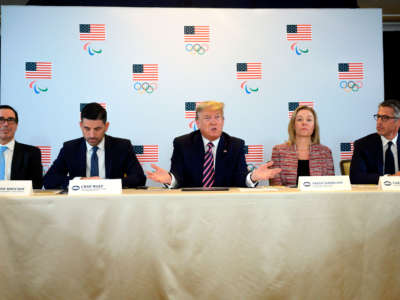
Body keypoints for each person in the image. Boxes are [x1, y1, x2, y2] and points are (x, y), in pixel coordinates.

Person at [146, 101, 281, 188]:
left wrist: (253, 177)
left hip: (225, 204)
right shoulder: (182, 143)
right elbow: (178, 177)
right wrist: (169, 179)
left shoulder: (236, 145)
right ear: (197, 123)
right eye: (207, 118)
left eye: (217, 117)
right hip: (191, 204)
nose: (213, 122)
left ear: (223, 121)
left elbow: (240, 179)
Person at [43, 102, 145, 189]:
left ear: (106, 126)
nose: (92, 135)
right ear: (80, 126)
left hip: (113, 203)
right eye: (87, 129)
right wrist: (81, 181)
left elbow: (139, 178)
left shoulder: (122, 146)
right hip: (78, 203)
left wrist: (106, 184)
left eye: (97, 129)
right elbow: (49, 180)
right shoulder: (70, 148)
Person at [270, 105, 334, 186]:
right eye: (299, 119)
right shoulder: (278, 151)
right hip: (287, 198)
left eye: (309, 120)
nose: (304, 123)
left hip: (318, 198)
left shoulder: (325, 152)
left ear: (314, 126)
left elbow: (330, 185)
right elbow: (276, 185)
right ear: (293, 125)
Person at [350, 100, 400, 184]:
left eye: (385, 118)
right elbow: (356, 177)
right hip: (375, 195)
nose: (379, 122)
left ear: (398, 122)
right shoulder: (363, 145)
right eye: (378, 117)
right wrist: (390, 178)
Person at [0, 105, 43, 189]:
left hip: (18, 201)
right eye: (1, 119)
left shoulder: (32, 153)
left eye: (10, 120)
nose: (5, 124)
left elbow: (36, 185)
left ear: (16, 125)